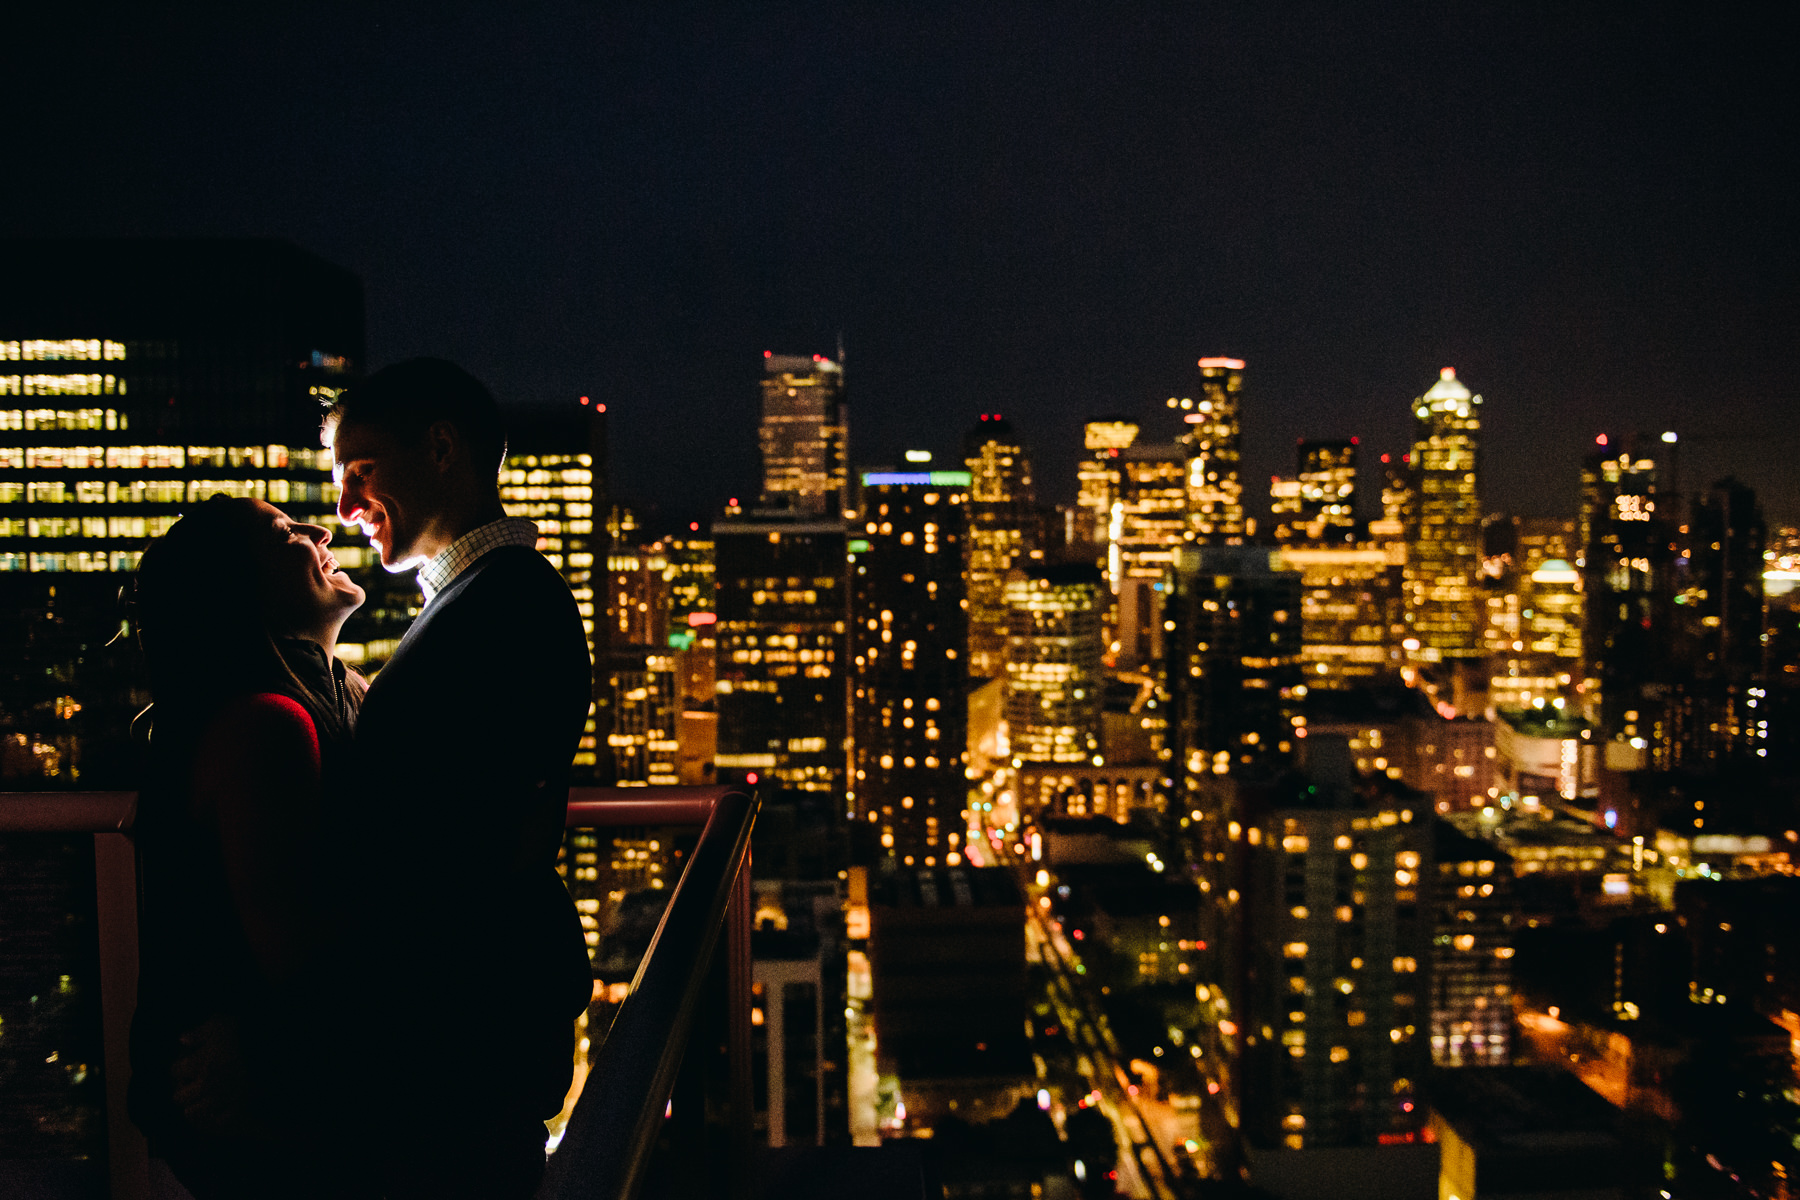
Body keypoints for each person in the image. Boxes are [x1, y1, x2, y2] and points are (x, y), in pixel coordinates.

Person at [323, 357, 593, 1199]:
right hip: (467, 1042)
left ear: (442, 449)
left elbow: (430, 862)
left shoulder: (497, 611)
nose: (345, 508)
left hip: (452, 1054)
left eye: (362, 473)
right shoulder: (490, 599)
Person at [128, 495, 372, 1197]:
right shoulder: (267, 725)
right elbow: (297, 950)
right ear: (244, 588)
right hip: (265, 1114)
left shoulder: (331, 696)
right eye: (285, 533)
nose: (320, 530)